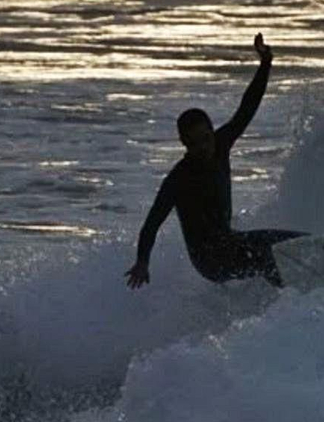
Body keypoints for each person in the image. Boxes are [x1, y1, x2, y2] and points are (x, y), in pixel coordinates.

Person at [125, 33, 305, 289]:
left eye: (206, 138)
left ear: (212, 132)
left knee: (286, 243)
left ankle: (317, 267)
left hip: (230, 242)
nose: (203, 147)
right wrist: (142, 262)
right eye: (195, 143)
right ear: (184, 144)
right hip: (209, 261)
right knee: (267, 254)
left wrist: (265, 63)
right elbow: (151, 224)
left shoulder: (221, 144)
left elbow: (247, 108)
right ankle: (291, 303)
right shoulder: (179, 179)